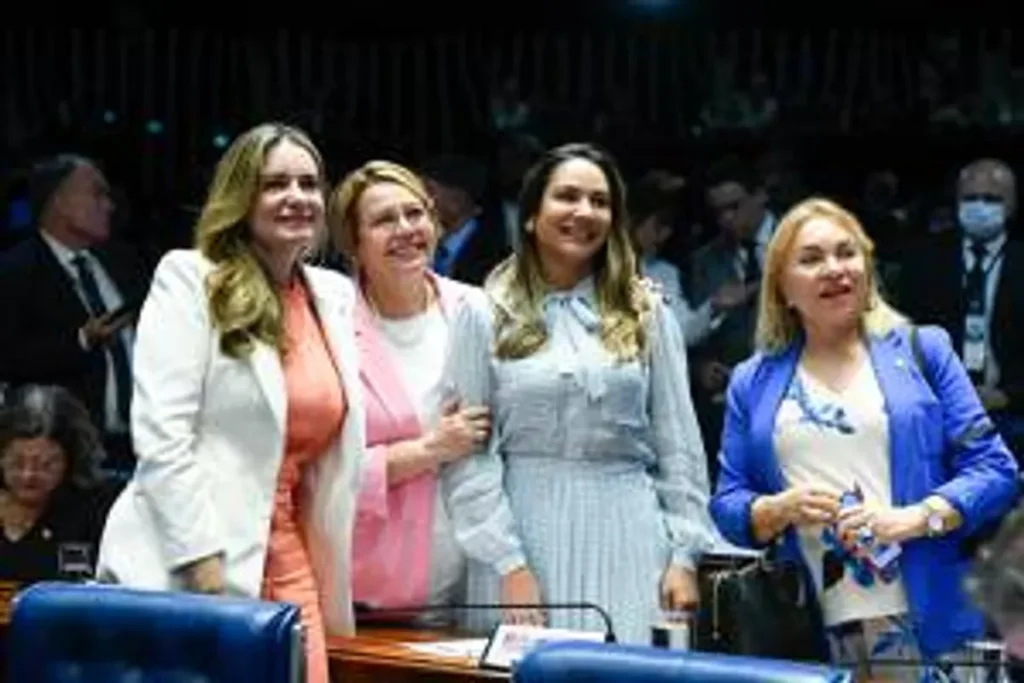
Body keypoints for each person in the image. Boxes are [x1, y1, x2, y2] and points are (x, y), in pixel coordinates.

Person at [97, 123, 366, 683]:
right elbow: (162, 437)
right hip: (190, 562)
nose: (296, 197)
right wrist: (203, 569)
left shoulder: (332, 295)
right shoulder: (190, 279)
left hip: (293, 560)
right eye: (275, 185)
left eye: (308, 183)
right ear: (241, 197)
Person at [710, 197, 1019, 681]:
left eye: (846, 253)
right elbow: (728, 504)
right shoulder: (752, 380)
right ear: (782, 287)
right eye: (811, 259)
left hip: (926, 621)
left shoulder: (925, 349)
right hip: (805, 631)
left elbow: (997, 471)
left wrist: (916, 518)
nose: (835, 269)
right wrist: (775, 509)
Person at [441, 142, 715, 644]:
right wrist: (508, 562)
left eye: (600, 201)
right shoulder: (483, 314)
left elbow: (680, 448)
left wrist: (683, 557)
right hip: (520, 536)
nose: (584, 212)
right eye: (567, 196)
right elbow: (468, 456)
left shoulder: (648, 315)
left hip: (630, 536)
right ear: (531, 215)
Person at [329, 161, 482, 615]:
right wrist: (429, 449)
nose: (405, 229)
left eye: (414, 213)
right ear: (353, 243)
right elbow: (320, 475)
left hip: (474, 587)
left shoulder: (476, 308)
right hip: (372, 593)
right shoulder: (330, 325)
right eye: (382, 220)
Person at [0, 384, 113, 583]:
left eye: (46, 465)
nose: (29, 475)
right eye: (17, 463)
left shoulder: (94, 509)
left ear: (71, 461)